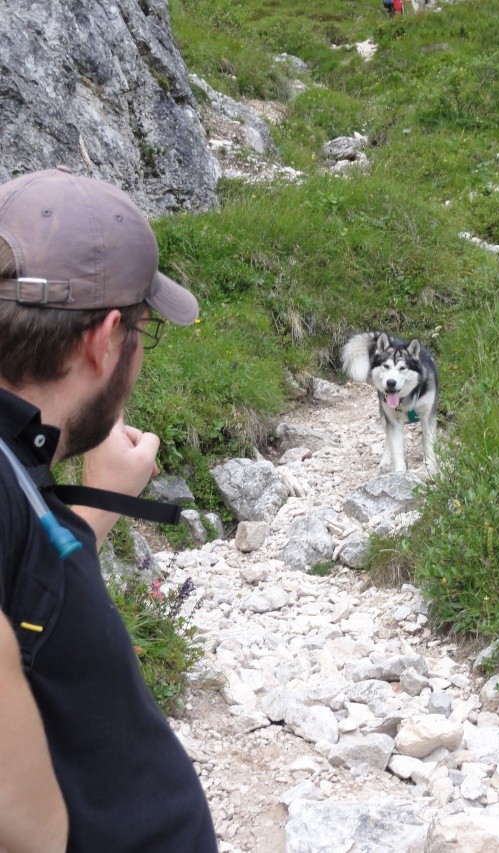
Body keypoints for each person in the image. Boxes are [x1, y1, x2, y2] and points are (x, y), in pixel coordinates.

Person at [0, 167, 219, 852]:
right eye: (144, 331)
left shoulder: (15, 466)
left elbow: (24, 597)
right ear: (104, 339)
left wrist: (96, 511)